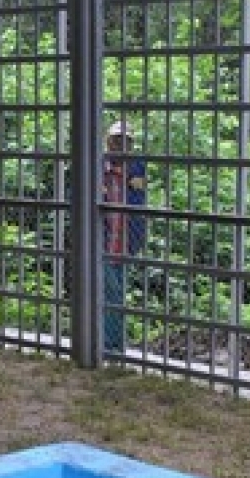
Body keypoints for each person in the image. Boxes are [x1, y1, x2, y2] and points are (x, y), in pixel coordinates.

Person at [101, 121, 147, 352]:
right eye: (117, 140)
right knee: (112, 293)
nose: (122, 145)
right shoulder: (96, 167)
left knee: (116, 294)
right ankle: (111, 345)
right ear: (108, 142)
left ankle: (114, 343)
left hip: (125, 243)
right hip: (101, 242)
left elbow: (139, 204)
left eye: (126, 141)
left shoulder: (137, 168)